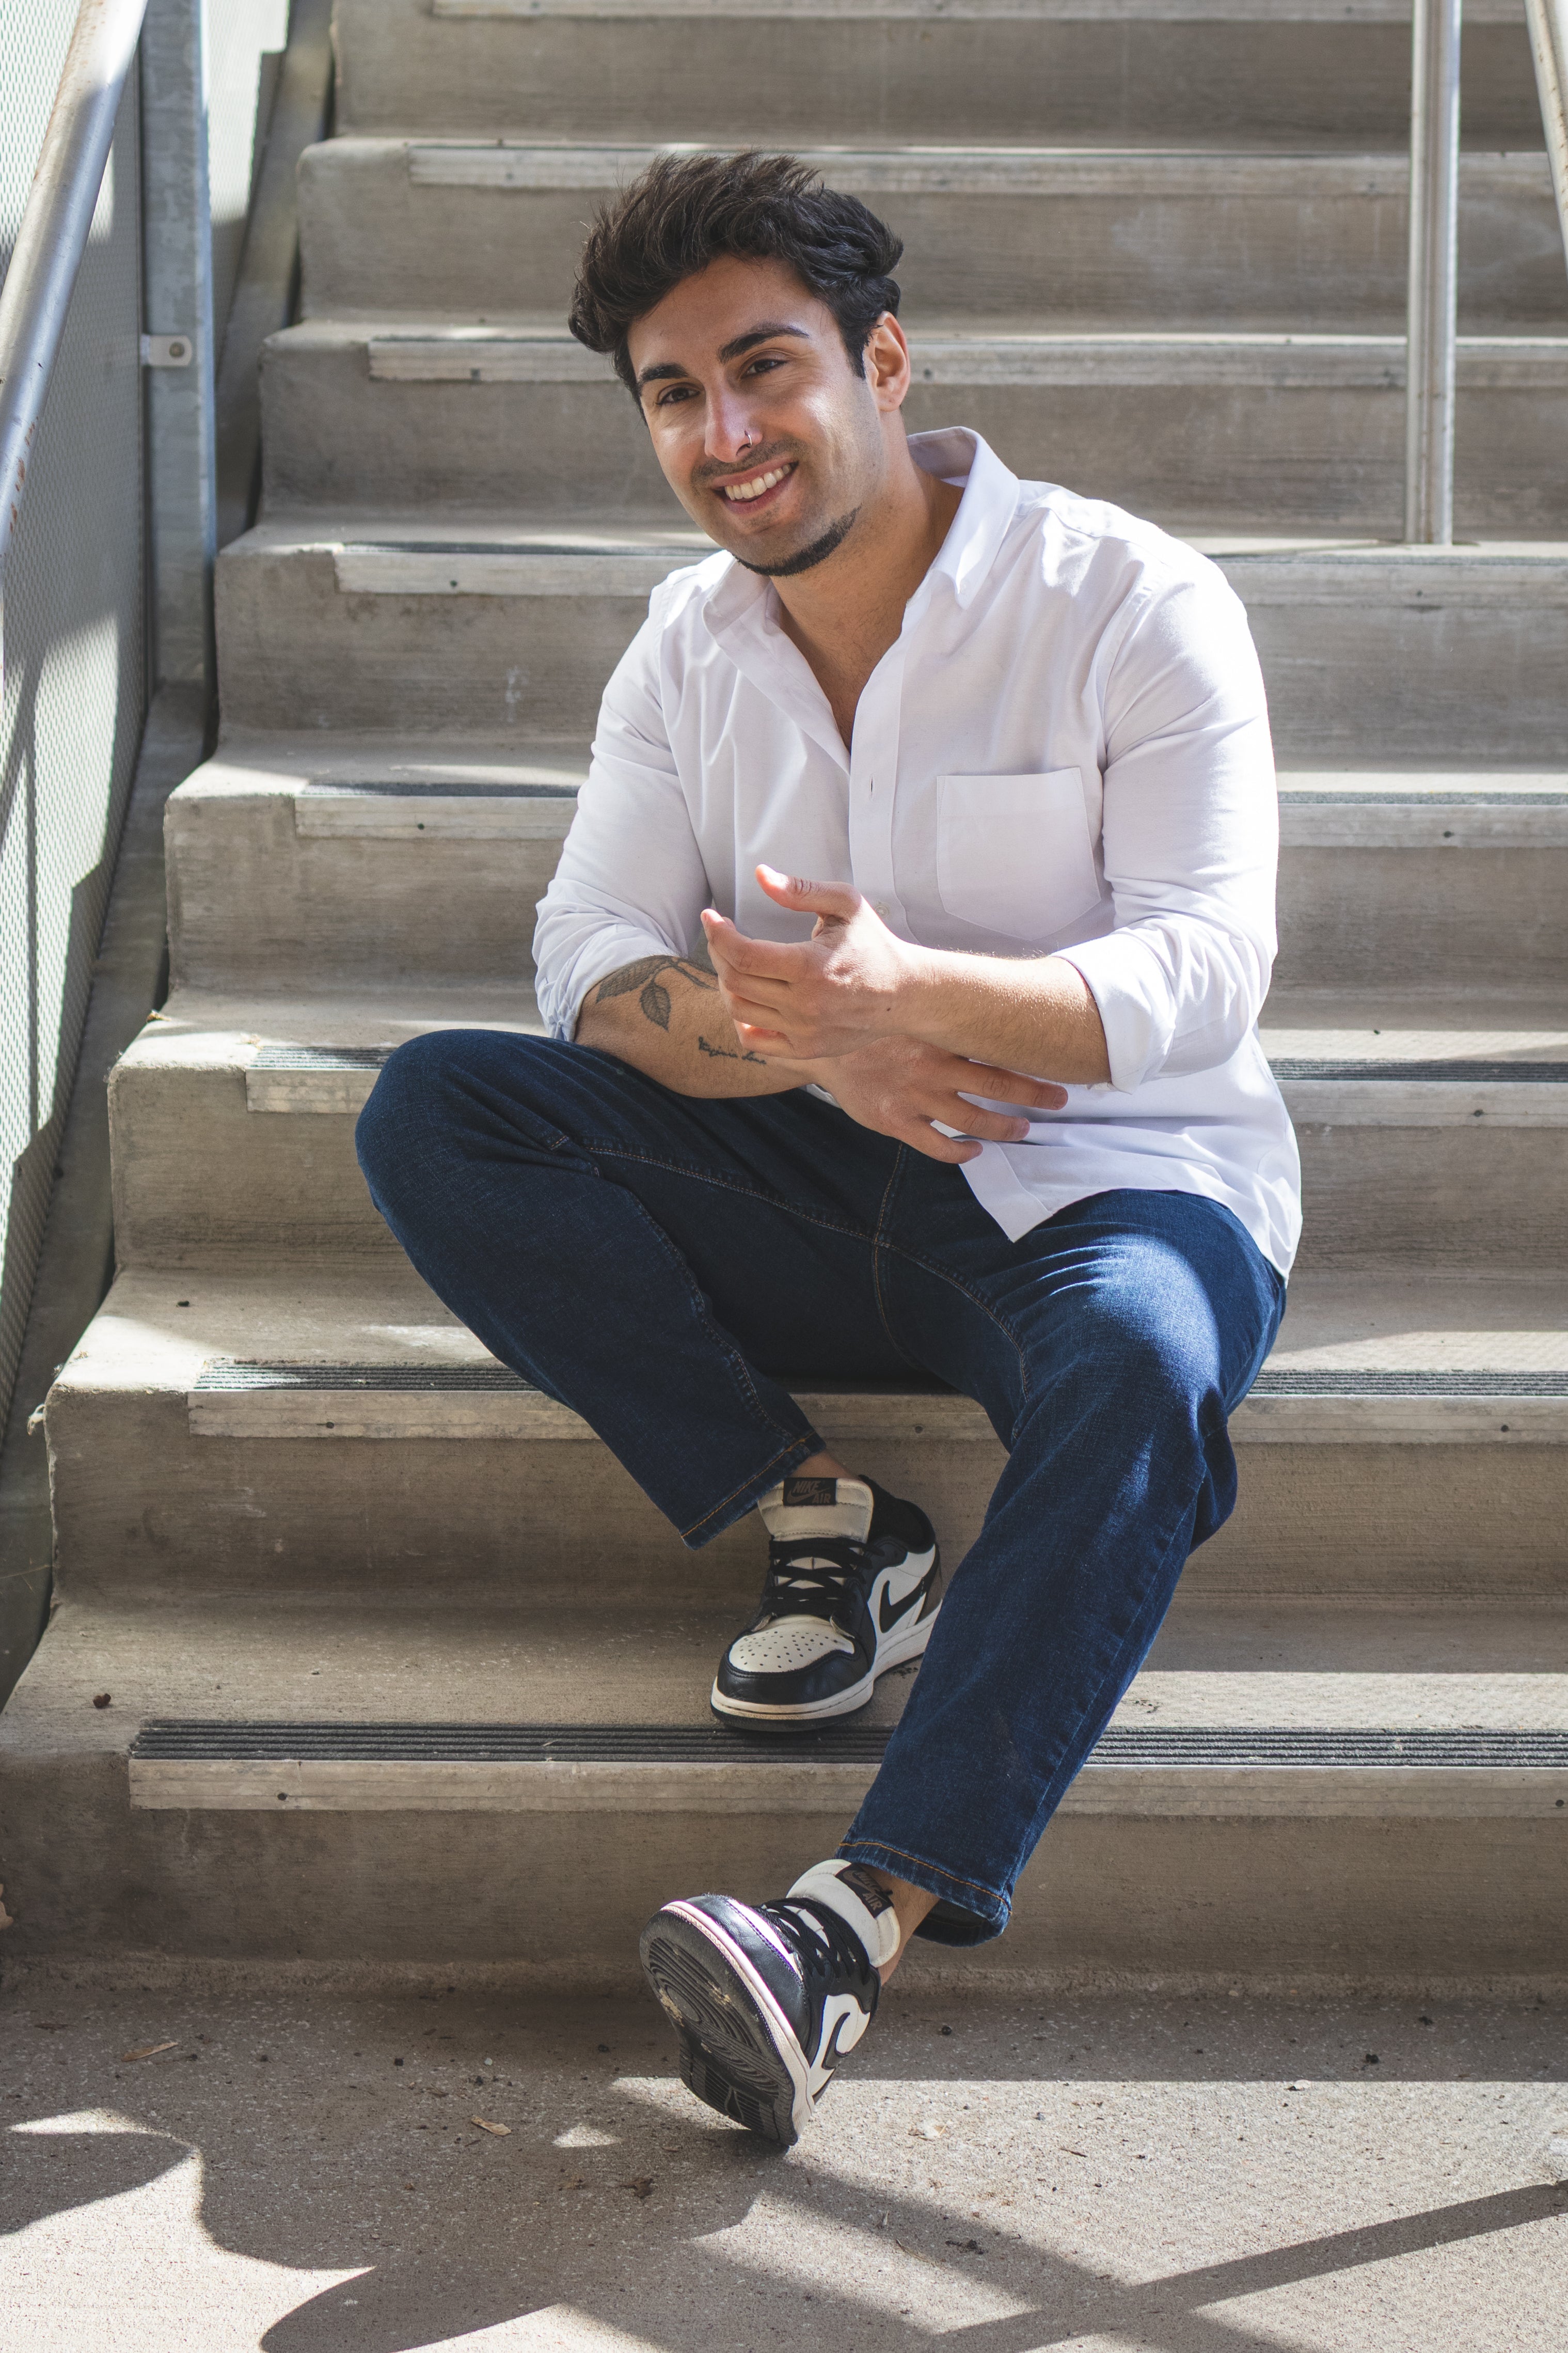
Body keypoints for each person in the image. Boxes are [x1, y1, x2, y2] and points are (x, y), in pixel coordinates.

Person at [355, 150, 1299, 2147]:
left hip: (1112, 1183)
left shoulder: (1126, 598)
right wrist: (811, 1048)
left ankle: (846, 1929)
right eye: (673, 395)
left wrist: (911, 998)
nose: (725, 433)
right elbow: (587, 955)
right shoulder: (685, 647)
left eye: (763, 367)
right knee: (442, 1108)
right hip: (819, 1164)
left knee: (1143, 1367)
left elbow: (1208, 969)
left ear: (883, 360)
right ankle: (833, 1517)